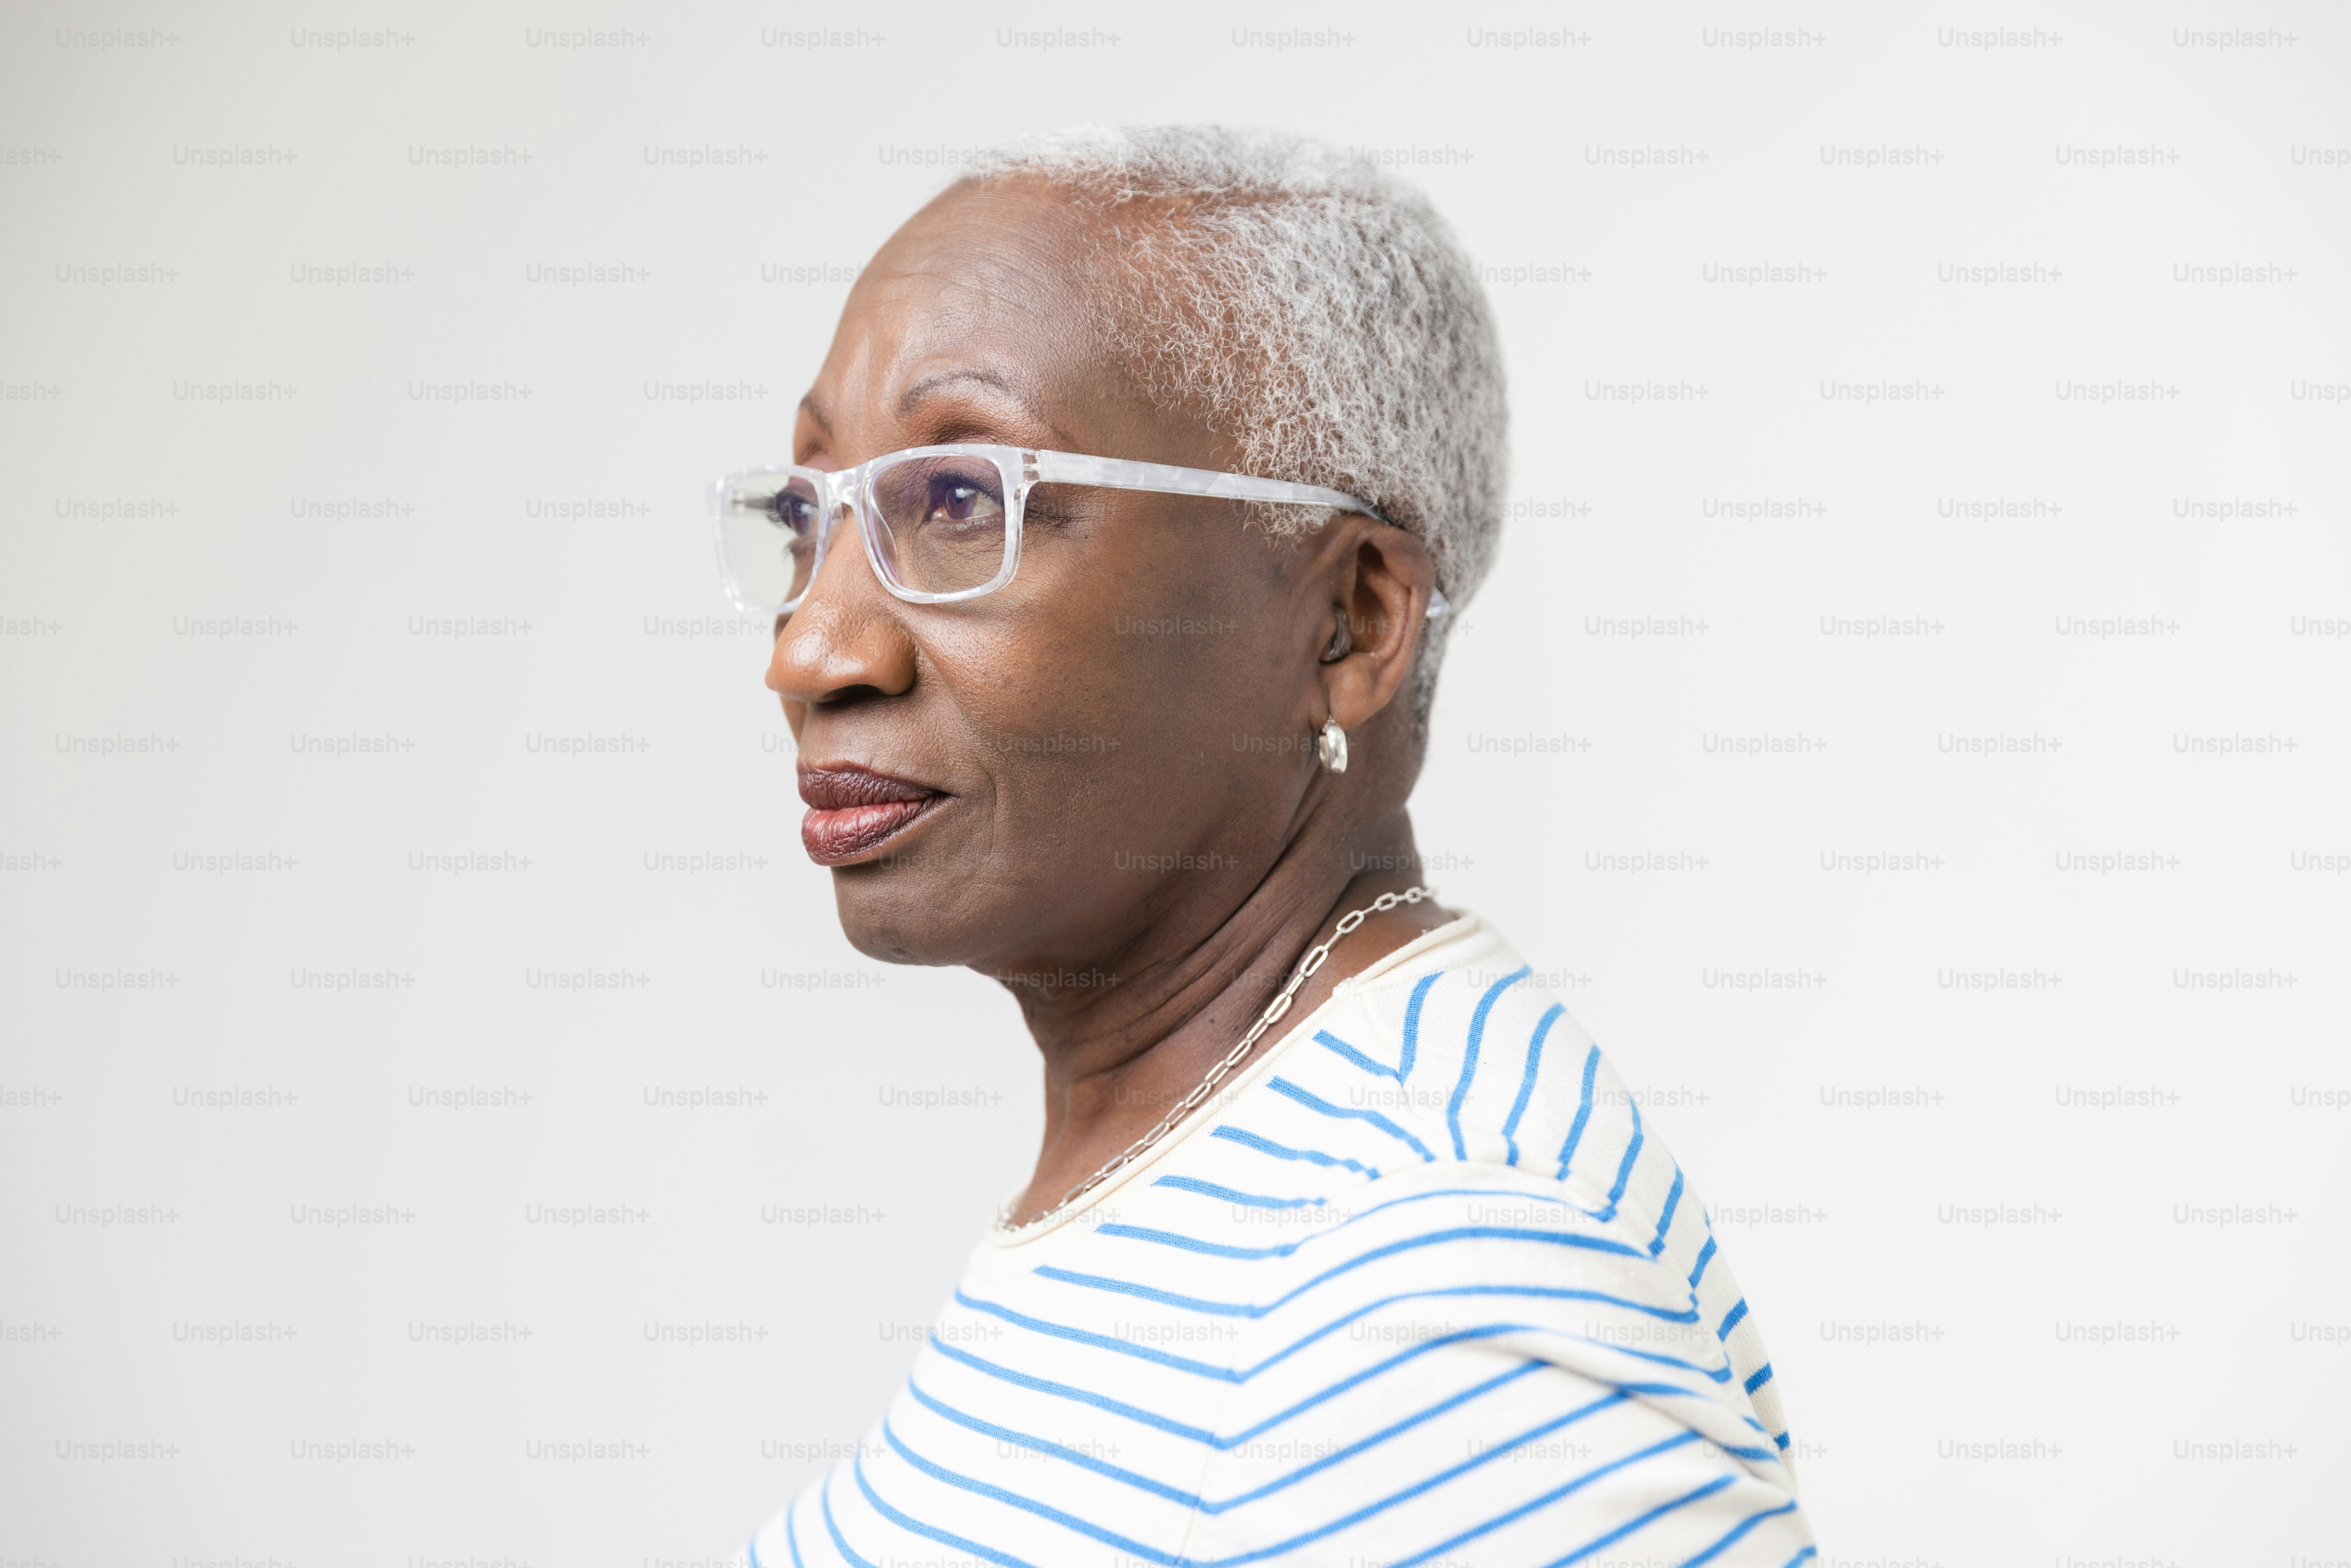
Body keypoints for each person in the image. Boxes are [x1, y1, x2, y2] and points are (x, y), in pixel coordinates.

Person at [718, 124, 1813, 1568]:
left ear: (1348, 619)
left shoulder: (1435, 1263)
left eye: (962, 500)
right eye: (812, 519)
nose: (810, 649)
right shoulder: (1235, 1171)